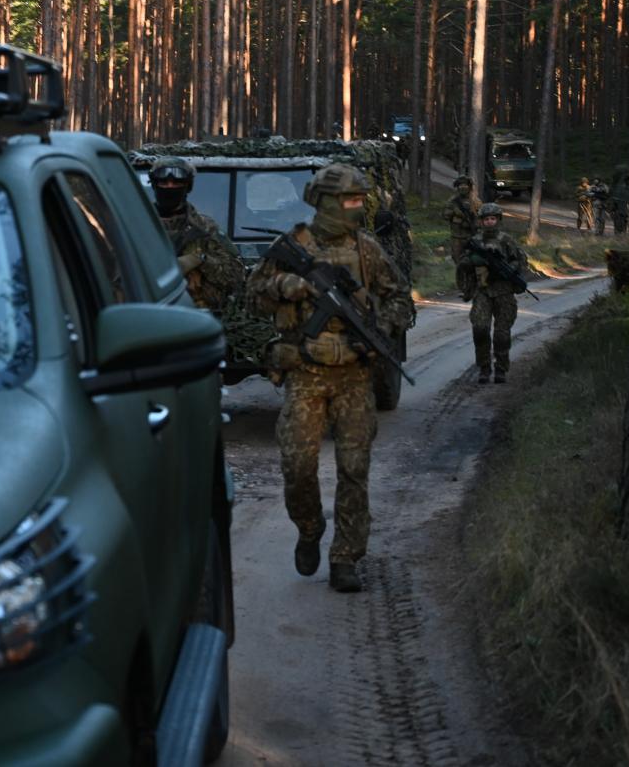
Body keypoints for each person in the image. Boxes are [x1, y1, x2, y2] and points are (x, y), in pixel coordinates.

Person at [245, 164, 414, 593]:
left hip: (355, 377)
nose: (355, 209)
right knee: (298, 467)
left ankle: (345, 558)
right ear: (323, 202)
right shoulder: (293, 246)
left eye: (360, 201)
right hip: (305, 374)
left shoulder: (367, 251)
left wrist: (379, 329)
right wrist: (287, 285)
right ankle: (308, 527)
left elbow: (401, 302)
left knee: (354, 470)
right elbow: (252, 295)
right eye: (348, 201)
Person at [148, 157, 246, 315]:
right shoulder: (136, 224)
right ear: (154, 185)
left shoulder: (205, 228)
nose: (170, 187)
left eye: (177, 183)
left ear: (187, 187)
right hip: (147, 314)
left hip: (197, 317)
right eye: (164, 182)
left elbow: (236, 276)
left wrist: (200, 259)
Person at [457, 202, 530, 384]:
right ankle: (484, 367)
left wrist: (508, 269)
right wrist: (472, 262)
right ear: (481, 221)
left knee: (501, 334)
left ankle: (501, 368)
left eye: (493, 219)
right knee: (480, 329)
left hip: (503, 292)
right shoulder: (475, 241)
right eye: (486, 219)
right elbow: (463, 264)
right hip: (482, 291)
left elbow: (521, 261)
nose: (490, 222)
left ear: (498, 220)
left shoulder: (506, 240)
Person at [442, 173, 480, 265]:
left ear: (469, 187)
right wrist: (455, 212)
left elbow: (481, 217)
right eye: (460, 185)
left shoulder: (475, 201)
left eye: (465, 185)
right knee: (457, 260)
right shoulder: (453, 201)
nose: (463, 187)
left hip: (471, 236)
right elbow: (445, 215)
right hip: (457, 237)